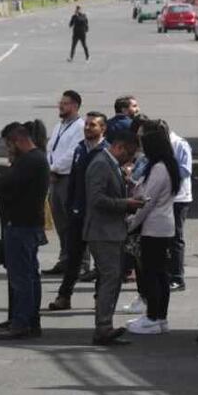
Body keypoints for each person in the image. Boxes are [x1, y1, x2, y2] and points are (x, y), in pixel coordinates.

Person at [0, 121, 49, 339]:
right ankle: (30, 321)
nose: (8, 150)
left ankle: (22, 322)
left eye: (9, 144)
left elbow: (9, 187)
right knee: (30, 275)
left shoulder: (29, 161)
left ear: (17, 141)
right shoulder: (35, 160)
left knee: (22, 277)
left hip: (21, 226)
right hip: (26, 225)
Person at [84, 129, 142, 346]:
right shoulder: (101, 164)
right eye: (129, 153)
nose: (130, 158)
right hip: (102, 232)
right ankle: (103, 327)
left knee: (113, 278)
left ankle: (105, 325)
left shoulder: (112, 165)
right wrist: (126, 204)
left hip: (112, 231)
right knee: (110, 278)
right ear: (118, 147)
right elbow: (97, 199)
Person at [48, 111, 108, 311]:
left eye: (93, 125)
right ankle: (64, 296)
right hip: (79, 212)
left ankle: (101, 299)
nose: (88, 128)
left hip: (99, 215)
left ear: (103, 129)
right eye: (87, 124)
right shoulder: (81, 148)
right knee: (73, 258)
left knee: (101, 260)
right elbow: (74, 179)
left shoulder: (107, 152)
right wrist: (72, 204)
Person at [125, 127, 178, 335]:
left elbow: (146, 201)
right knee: (160, 274)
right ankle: (158, 316)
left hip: (154, 227)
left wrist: (132, 223)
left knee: (152, 274)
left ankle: (154, 317)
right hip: (163, 225)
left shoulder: (159, 168)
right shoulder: (167, 166)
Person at [44, 90, 86, 276]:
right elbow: (50, 149)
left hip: (68, 178)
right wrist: (49, 167)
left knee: (73, 223)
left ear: (75, 106)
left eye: (66, 103)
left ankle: (81, 263)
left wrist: (54, 168)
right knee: (60, 222)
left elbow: (73, 154)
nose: (61, 106)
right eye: (61, 103)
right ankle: (65, 258)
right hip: (55, 179)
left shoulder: (80, 127)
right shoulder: (59, 126)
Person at [165, 122, 194, 292]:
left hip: (179, 198)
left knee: (176, 237)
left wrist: (164, 172)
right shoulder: (162, 146)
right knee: (166, 237)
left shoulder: (179, 144)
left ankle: (177, 277)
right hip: (165, 197)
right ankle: (168, 273)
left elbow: (185, 170)